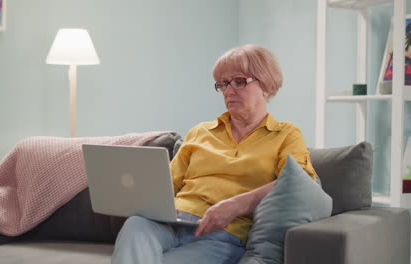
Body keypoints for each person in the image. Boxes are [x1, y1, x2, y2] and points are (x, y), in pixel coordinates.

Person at [111, 44, 316, 264]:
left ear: (266, 85)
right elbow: (168, 184)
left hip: (223, 235)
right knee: (136, 224)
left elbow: (299, 183)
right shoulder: (200, 132)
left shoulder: (285, 134)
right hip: (172, 223)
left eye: (239, 81)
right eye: (222, 84)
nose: (229, 91)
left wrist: (237, 205)